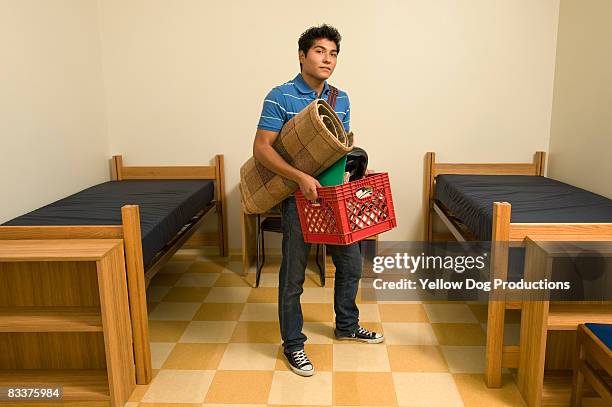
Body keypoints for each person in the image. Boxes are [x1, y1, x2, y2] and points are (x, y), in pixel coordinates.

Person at [252, 24, 384, 377]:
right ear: (302, 55)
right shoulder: (279, 96)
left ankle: (347, 325)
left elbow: (338, 148)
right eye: (320, 51)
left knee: (352, 265)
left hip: (333, 197)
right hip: (298, 197)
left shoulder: (341, 99)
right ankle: (293, 345)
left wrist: (351, 179)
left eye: (334, 53)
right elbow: (262, 148)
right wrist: (300, 178)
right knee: (293, 275)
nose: (328, 59)